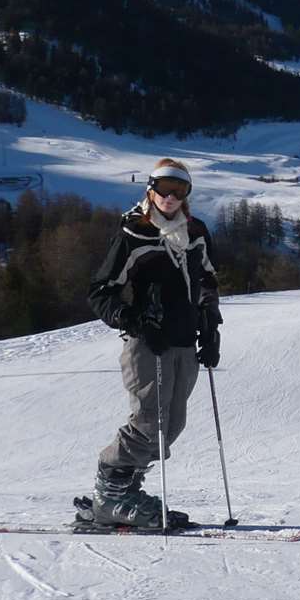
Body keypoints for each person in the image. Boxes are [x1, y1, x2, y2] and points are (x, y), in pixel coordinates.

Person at [83, 158, 222, 527]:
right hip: (147, 343)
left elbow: (208, 281)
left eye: (180, 191)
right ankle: (109, 493)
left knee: (171, 425)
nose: (171, 197)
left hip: (182, 343)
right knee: (149, 422)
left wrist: (210, 324)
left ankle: (125, 490)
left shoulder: (196, 233)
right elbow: (100, 292)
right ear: (151, 190)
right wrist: (137, 320)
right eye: (164, 188)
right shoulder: (134, 235)